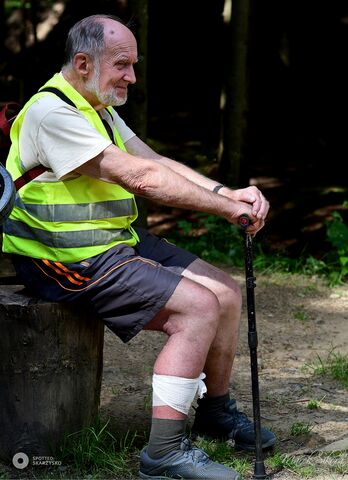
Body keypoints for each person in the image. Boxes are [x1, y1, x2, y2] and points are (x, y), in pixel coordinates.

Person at [2, 14, 276, 479]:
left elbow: (151, 158)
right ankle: (163, 454)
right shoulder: (53, 112)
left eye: (134, 64)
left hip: (112, 244)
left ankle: (215, 412)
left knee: (225, 295)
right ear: (84, 62)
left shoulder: (98, 107)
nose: (132, 76)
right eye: (123, 64)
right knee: (198, 309)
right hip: (62, 259)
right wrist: (224, 211)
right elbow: (140, 177)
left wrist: (224, 193)